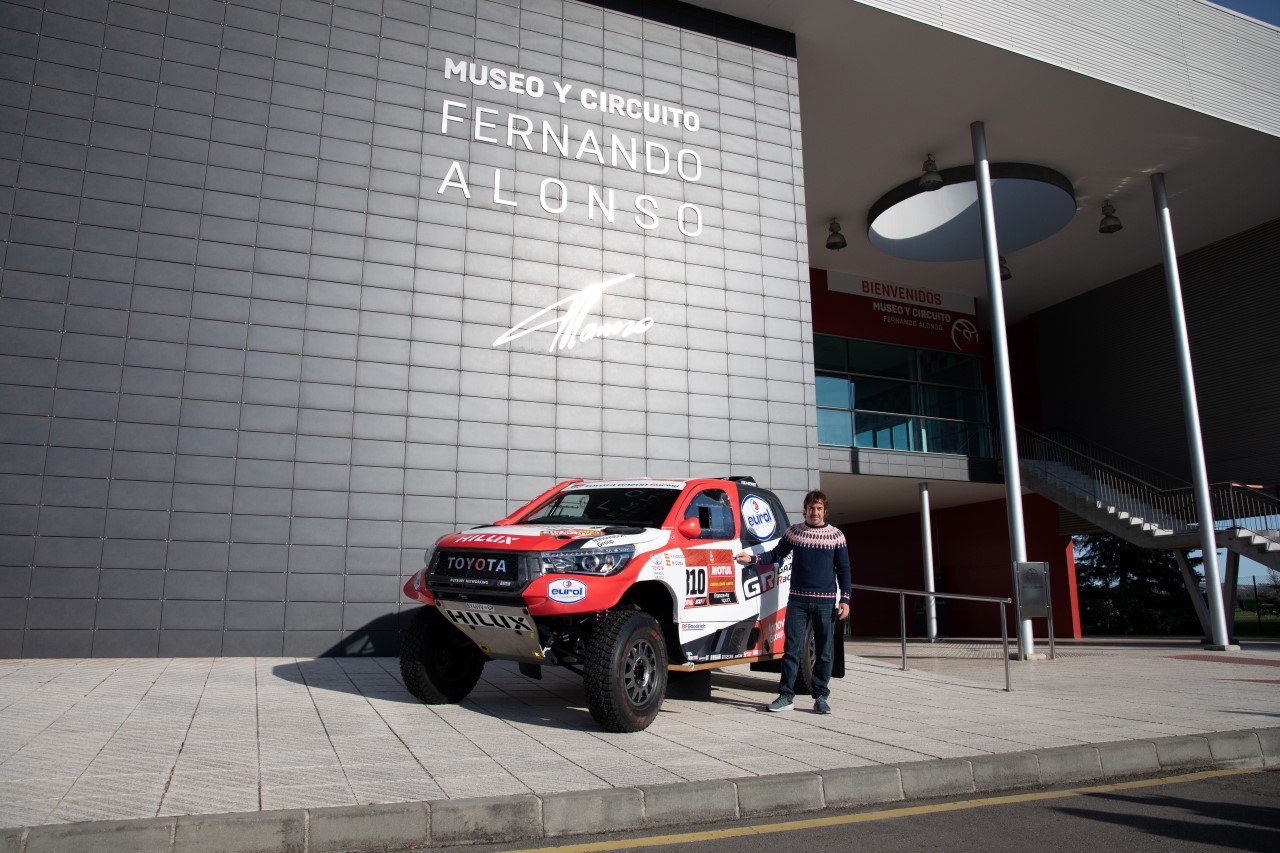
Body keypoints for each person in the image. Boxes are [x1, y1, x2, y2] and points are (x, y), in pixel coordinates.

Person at [736, 489, 851, 714]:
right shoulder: (794, 532)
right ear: (805, 510)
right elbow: (776, 554)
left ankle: (820, 698)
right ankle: (786, 696)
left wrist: (845, 599)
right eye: (811, 508)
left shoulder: (836, 536)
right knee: (791, 650)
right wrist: (753, 558)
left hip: (826, 603)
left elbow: (844, 569)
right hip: (797, 601)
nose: (814, 512)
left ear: (825, 511)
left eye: (818, 508)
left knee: (824, 652)